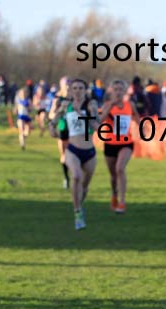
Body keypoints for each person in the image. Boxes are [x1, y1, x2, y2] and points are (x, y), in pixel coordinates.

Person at [50, 78, 100, 230]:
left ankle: (79, 204)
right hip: (72, 149)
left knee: (84, 187)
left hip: (89, 151)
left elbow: (96, 126)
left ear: (85, 90)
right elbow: (55, 122)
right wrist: (53, 124)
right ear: (70, 90)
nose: (77, 91)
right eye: (74, 88)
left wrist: (81, 113)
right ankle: (77, 213)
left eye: (80, 88)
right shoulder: (66, 105)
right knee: (76, 176)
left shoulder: (91, 105)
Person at [98, 79, 140, 214]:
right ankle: (114, 195)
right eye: (115, 89)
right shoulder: (107, 105)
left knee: (120, 169)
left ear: (125, 91)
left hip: (126, 143)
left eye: (120, 89)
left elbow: (136, 117)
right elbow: (99, 121)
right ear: (111, 90)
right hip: (110, 144)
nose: (118, 92)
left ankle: (122, 202)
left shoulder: (130, 105)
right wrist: (110, 107)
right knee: (113, 176)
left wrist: (142, 128)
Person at [48, 76, 72, 188]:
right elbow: (51, 114)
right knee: (64, 155)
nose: (67, 86)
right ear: (61, 85)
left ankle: (77, 176)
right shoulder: (58, 99)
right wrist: (59, 113)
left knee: (76, 153)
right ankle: (66, 178)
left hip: (75, 129)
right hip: (63, 127)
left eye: (69, 83)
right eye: (65, 84)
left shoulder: (76, 97)